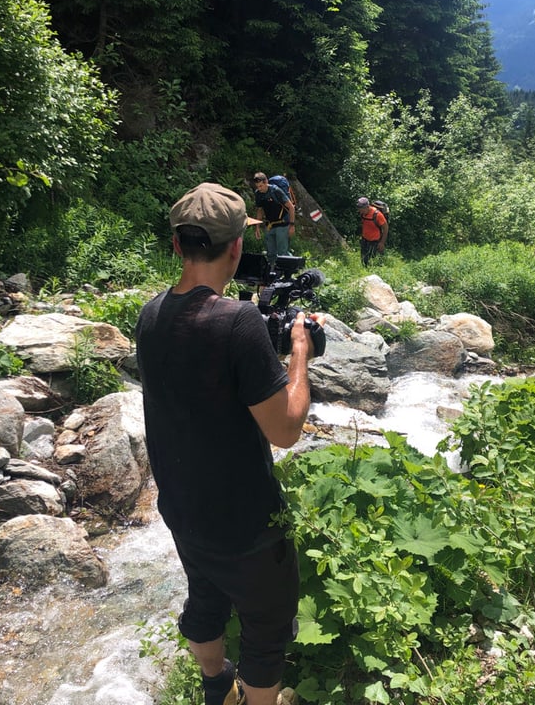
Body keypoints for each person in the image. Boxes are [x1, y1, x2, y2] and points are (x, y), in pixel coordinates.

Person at [134, 182, 322, 705]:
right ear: (238, 247)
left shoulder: (149, 316)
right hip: (244, 519)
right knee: (265, 629)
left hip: (181, 505)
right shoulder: (238, 322)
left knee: (205, 596)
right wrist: (298, 353)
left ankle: (216, 685)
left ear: (176, 245)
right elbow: (284, 431)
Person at [253, 172, 296, 270]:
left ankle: (289, 271)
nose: (260, 189)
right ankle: (272, 274)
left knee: (282, 252)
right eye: (257, 187)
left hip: (282, 224)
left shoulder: (276, 191)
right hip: (270, 225)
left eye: (261, 186)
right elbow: (260, 210)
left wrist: (292, 225)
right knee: (270, 253)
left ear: (266, 182)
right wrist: (257, 227)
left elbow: (291, 207)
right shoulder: (258, 194)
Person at [356, 196, 388, 266]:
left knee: (375, 262)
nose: (360, 211)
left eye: (361, 209)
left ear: (367, 207)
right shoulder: (363, 213)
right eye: (359, 209)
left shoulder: (377, 215)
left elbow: (385, 228)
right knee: (364, 262)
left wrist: (382, 243)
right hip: (364, 240)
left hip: (375, 242)